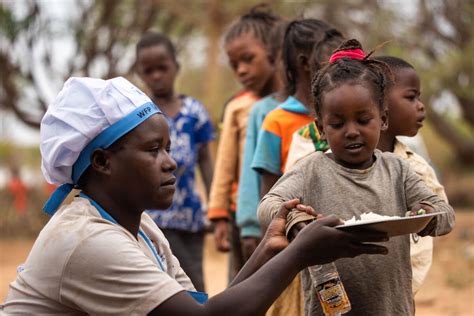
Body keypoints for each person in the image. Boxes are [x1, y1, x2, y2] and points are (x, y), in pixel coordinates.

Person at [1, 76, 390, 315]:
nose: (172, 163)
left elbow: (202, 308)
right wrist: (300, 253)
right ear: (102, 161)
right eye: (153, 150)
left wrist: (268, 251)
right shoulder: (88, 240)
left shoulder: (140, 229)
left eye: (168, 148)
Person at [257, 39, 455, 315]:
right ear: (321, 128)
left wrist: (427, 216)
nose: (351, 132)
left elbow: (446, 214)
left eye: (363, 120)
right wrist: (294, 219)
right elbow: (267, 206)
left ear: (383, 119)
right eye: (337, 124)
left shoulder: (397, 170)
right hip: (328, 308)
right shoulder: (311, 169)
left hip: (392, 308)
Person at [207, 6, 284, 279]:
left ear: (275, 55)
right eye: (235, 64)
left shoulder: (292, 106)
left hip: (282, 210)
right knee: (242, 282)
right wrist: (218, 217)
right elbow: (225, 164)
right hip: (243, 215)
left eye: (248, 59)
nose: (241, 70)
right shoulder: (238, 108)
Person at [135, 32, 214, 292]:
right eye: (149, 70)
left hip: (190, 218)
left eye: (162, 68)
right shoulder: (138, 114)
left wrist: (215, 205)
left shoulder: (195, 112)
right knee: (159, 288)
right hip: (151, 218)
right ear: (140, 73)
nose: (156, 75)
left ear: (176, 67)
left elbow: (205, 160)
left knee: (194, 285)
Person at [375, 55, 449, 295]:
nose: (420, 105)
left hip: (399, 290)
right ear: (380, 104)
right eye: (411, 97)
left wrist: (428, 214)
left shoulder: (415, 167)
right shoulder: (334, 163)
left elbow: (443, 215)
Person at [251, 21, 343, 198]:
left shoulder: (347, 116)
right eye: (332, 59)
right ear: (305, 63)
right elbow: (269, 195)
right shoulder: (276, 122)